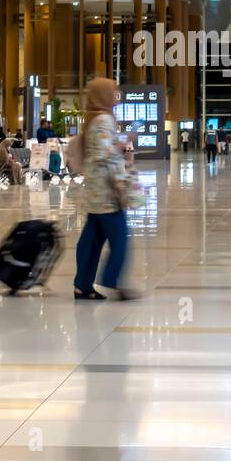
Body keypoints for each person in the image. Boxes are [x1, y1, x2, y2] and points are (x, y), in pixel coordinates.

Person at [71, 78, 139, 301]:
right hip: (107, 193)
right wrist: (123, 178)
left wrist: (118, 145)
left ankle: (82, 285)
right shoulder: (104, 119)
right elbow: (103, 154)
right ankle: (113, 282)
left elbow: (99, 149)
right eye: (113, 91)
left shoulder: (93, 118)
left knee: (91, 241)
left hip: (94, 191)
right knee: (120, 239)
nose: (116, 94)